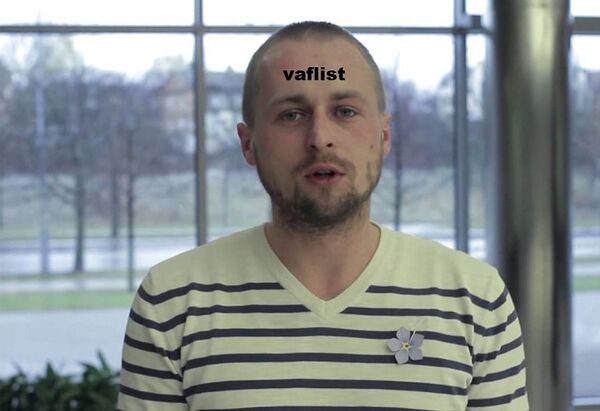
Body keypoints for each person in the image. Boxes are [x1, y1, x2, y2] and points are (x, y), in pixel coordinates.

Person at [117, 21, 528, 410]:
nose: (320, 138)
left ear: (384, 135)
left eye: (345, 111)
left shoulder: (474, 300)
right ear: (248, 143)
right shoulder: (172, 302)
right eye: (292, 115)